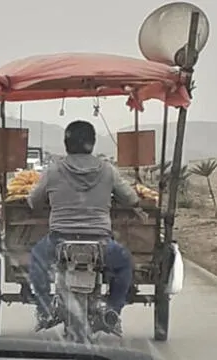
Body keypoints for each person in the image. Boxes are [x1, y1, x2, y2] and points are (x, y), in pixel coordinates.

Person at [27, 119, 139, 336]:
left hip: (59, 241)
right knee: (125, 264)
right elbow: (131, 199)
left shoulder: (53, 171)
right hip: (101, 244)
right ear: (92, 143)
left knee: (37, 260)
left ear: (66, 143)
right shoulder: (108, 171)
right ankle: (113, 311)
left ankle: (45, 310)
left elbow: (33, 201)